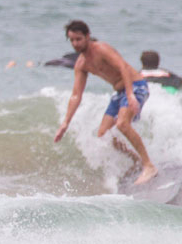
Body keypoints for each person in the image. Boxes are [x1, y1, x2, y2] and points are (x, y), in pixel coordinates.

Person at [55, 20, 157, 185]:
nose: (75, 44)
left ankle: (149, 166)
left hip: (136, 86)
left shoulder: (101, 49)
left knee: (123, 124)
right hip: (119, 93)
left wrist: (131, 95)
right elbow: (76, 95)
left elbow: (123, 67)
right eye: (72, 40)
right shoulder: (81, 64)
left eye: (78, 39)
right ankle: (136, 160)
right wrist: (65, 123)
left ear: (87, 36)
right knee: (103, 134)